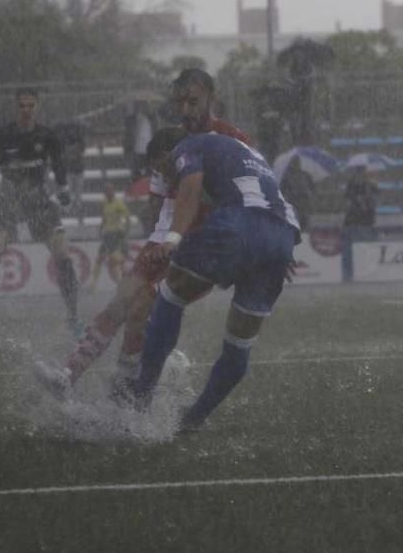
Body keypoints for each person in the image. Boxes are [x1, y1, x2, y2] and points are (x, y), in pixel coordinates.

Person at [33, 68, 253, 398]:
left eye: (194, 102)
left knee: (139, 311)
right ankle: (68, 376)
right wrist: (158, 240)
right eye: (181, 102)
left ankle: (126, 393)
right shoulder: (170, 140)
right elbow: (162, 200)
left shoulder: (233, 141)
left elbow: (251, 197)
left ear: (212, 99)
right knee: (120, 302)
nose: (186, 110)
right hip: (166, 240)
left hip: (204, 249)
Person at [127, 129, 300, 433]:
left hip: (240, 224)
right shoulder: (245, 154)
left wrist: (173, 238)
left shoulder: (186, 146)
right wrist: (275, 249)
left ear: (168, 155)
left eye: (161, 169)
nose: (165, 179)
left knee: (171, 294)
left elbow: (190, 188)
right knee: (239, 343)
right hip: (282, 235)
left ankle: (138, 402)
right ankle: (193, 419)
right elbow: (268, 196)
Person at [0, 88, 82, 346]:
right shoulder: (1, 137)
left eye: (31, 105)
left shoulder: (47, 136)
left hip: (39, 201)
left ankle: (74, 317)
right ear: (16, 108)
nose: (27, 110)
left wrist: (64, 192)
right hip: (10, 202)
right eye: (22, 105)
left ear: (37, 107)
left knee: (63, 255)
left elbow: (58, 165)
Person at [88, 182, 129, 292]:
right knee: (101, 259)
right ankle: (92, 285)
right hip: (107, 234)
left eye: (110, 190)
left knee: (113, 260)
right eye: (106, 191)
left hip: (116, 233)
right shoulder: (105, 203)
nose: (108, 193)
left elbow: (126, 217)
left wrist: (125, 230)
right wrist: (100, 228)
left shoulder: (118, 203)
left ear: (113, 191)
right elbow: (104, 218)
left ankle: (123, 282)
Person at [54, 120, 87, 222]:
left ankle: (77, 211)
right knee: (68, 191)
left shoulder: (79, 141)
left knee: (78, 193)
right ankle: (67, 210)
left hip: (78, 171)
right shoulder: (64, 142)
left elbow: (81, 149)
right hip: (70, 171)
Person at [342, 165, 378, 238]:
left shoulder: (370, 184)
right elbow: (349, 197)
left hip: (365, 216)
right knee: (356, 232)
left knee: (364, 232)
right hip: (356, 216)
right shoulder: (352, 183)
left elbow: (375, 197)